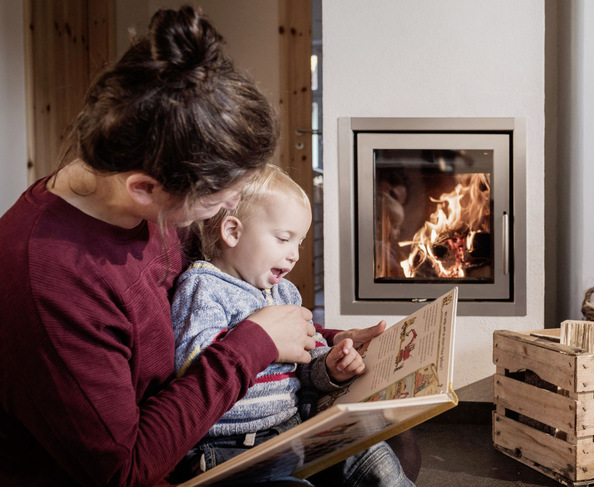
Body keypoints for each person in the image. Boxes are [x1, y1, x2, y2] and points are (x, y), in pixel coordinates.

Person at [0, 5, 418, 486]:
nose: (231, 208)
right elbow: (124, 471)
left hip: (224, 412)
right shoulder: (50, 279)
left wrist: (324, 338)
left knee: (390, 440)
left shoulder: (154, 202)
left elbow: (230, 296)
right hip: (164, 462)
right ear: (145, 187)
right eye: (219, 198)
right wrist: (258, 343)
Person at [170, 165, 414, 486]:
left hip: (295, 426)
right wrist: (260, 340)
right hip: (232, 447)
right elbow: (196, 367)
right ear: (232, 232)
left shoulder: (285, 292)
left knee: (376, 459)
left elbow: (303, 360)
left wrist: (329, 366)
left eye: (299, 242)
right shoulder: (204, 288)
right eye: (284, 239)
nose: (295, 255)